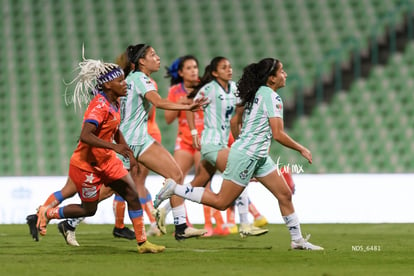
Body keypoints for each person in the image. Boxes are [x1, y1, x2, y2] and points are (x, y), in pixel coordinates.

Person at [154, 58, 324, 250]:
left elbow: (236, 121)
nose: (285, 74)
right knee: (221, 202)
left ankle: (297, 240)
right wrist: (301, 148)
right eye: (281, 71)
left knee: (284, 194)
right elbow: (278, 134)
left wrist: (243, 140)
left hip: (257, 157)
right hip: (245, 155)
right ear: (271, 78)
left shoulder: (255, 92)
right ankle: (174, 188)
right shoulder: (271, 97)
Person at [30, 50, 165, 253]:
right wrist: (114, 147)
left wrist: (126, 150)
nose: (125, 83)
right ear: (108, 85)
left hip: (107, 161)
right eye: (120, 81)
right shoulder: (99, 106)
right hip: (86, 165)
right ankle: (48, 213)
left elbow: (115, 128)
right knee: (88, 210)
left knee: (132, 194)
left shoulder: (115, 101)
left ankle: (143, 243)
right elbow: (85, 135)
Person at [162, 56, 268, 237]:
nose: (229, 69)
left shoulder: (234, 88)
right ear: (214, 72)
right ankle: (245, 224)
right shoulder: (209, 89)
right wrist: (194, 132)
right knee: (239, 172)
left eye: (230, 66)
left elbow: (239, 112)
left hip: (223, 142)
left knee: (198, 182)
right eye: (224, 67)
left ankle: (164, 207)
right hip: (210, 143)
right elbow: (191, 108)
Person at [118, 43, 208, 240]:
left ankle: (181, 226)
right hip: (129, 143)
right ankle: (69, 221)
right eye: (153, 54)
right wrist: (188, 106)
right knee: (109, 189)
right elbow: (159, 103)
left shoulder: (134, 79)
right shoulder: (141, 79)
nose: (158, 58)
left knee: (175, 173)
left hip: (141, 139)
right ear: (142, 61)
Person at [159, 55, 229, 236]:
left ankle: (210, 225)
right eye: (188, 68)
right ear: (181, 72)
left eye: (195, 67)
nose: (193, 71)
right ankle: (181, 223)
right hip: (184, 140)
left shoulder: (204, 86)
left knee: (204, 182)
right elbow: (167, 119)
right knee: (177, 179)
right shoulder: (175, 90)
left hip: (204, 140)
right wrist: (179, 104)